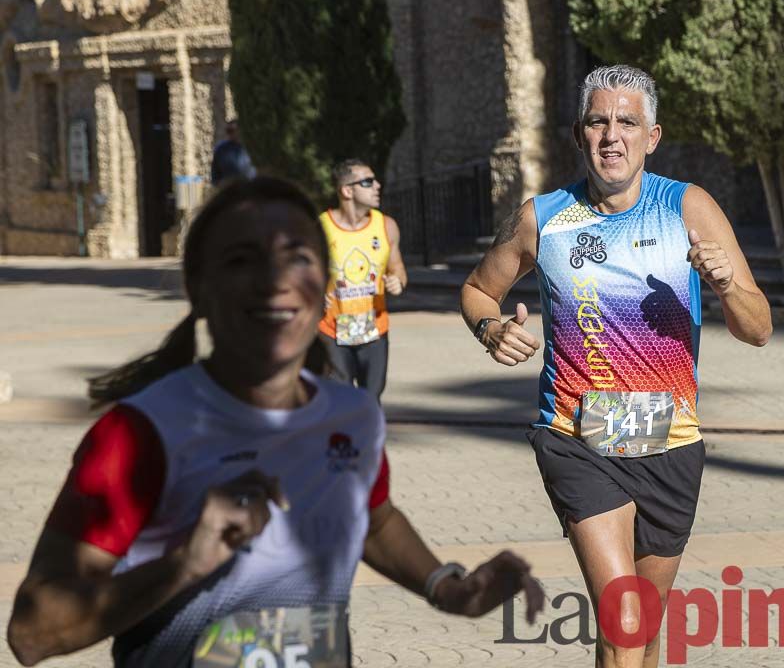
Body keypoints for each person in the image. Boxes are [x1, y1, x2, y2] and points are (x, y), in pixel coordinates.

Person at [7, 177, 542, 668]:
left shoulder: (351, 416)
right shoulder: (141, 431)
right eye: (242, 260)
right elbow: (31, 634)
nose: (274, 281)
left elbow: (373, 519)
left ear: (323, 284)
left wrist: (445, 587)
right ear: (199, 286)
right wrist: (186, 563)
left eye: (297, 258)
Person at [460, 64, 772, 667]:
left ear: (650, 137)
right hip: (577, 440)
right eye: (598, 121)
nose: (612, 135)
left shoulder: (689, 208)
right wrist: (489, 327)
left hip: (671, 441)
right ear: (579, 135)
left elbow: (757, 329)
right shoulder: (543, 219)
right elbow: (477, 289)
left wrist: (729, 285)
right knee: (625, 620)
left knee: (642, 631)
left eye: (627, 122)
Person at [318, 159, 407, 402]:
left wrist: (397, 281)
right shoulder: (320, 228)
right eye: (367, 182)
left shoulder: (386, 226)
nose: (377, 186)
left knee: (371, 399)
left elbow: (397, 267)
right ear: (347, 190)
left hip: (374, 331)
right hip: (332, 330)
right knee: (340, 397)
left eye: (375, 180)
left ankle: (370, 441)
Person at [210, 119, 256, 185]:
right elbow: (215, 172)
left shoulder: (250, 146)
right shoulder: (221, 149)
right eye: (228, 131)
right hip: (229, 189)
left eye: (231, 131)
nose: (229, 133)